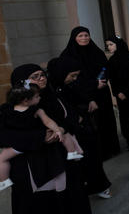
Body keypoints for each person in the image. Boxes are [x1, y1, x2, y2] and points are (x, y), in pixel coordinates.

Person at [10, 63, 93, 213]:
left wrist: (62, 128)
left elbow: (74, 117)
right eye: (35, 77)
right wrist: (41, 137)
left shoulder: (54, 96)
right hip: (35, 163)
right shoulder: (12, 108)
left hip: (63, 155)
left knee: (71, 197)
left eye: (42, 75)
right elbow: (8, 136)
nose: (41, 79)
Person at [48, 56, 113, 200]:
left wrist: (88, 101)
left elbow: (79, 95)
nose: (74, 78)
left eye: (76, 75)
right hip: (68, 133)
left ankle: (98, 186)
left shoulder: (69, 84)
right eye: (72, 75)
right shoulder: (51, 89)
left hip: (82, 128)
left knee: (92, 158)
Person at [0, 84, 84, 189]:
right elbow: (48, 121)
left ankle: (4, 180)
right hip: (37, 139)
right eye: (37, 96)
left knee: (2, 159)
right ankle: (72, 153)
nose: (40, 97)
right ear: (26, 100)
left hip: (19, 144)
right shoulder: (37, 110)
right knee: (65, 135)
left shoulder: (8, 110)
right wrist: (57, 130)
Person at [60, 26, 120, 161]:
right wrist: (94, 84)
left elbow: (106, 67)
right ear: (74, 38)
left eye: (86, 35)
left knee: (106, 120)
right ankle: (99, 153)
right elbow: (71, 80)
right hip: (84, 95)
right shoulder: (68, 55)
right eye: (80, 36)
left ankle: (111, 148)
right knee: (93, 125)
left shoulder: (96, 51)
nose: (84, 38)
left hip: (102, 92)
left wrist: (103, 80)